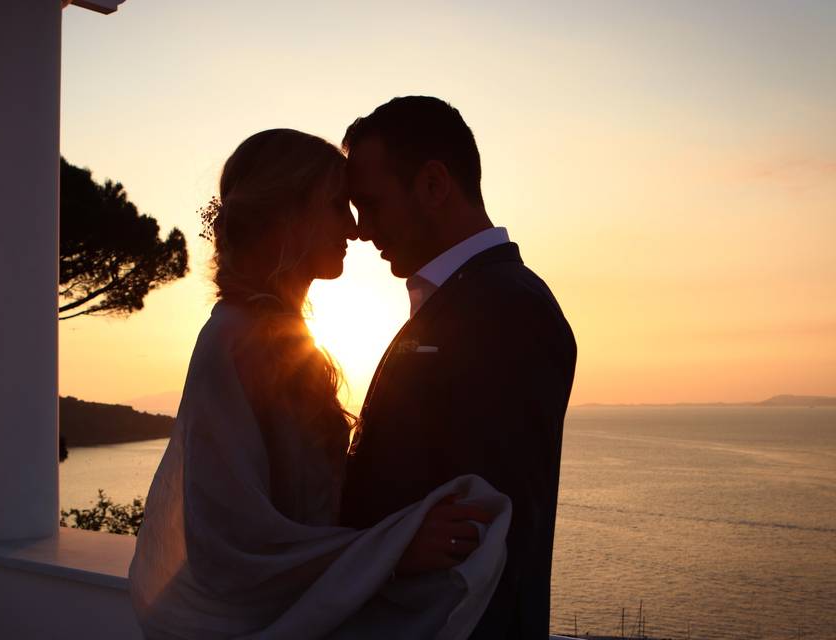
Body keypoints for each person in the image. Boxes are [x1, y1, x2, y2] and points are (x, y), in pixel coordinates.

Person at [128, 128, 511, 639]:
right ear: (288, 213)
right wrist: (395, 550)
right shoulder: (235, 339)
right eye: (336, 205)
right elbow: (231, 542)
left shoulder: (280, 337)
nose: (354, 228)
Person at [340, 97, 577, 639]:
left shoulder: (509, 309)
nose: (359, 230)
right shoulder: (467, 300)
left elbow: (486, 523)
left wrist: (386, 550)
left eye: (370, 205)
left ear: (433, 186)